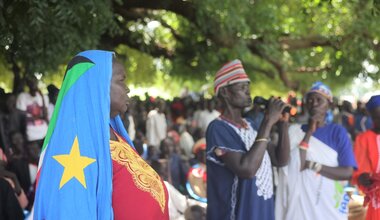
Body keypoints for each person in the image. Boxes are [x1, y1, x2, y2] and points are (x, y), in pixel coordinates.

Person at [33, 50, 169, 219]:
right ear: (97, 85)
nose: (127, 88)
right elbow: (70, 208)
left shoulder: (113, 133)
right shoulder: (74, 144)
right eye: (121, 80)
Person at [206, 59, 290, 220]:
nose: (248, 92)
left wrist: (283, 125)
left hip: (262, 211)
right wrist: (267, 122)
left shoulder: (251, 125)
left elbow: (280, 160)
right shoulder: (218, 128)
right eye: (242, 87)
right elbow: (247, 170)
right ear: (225, 92)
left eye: (248, 87)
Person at [275, 82, 357, 220]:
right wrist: (309, 132)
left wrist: (313, 165)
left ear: (329, 105)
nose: (314, 103)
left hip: (328, 205)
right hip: (299, 208)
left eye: (319, 100)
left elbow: (347, 173)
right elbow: (289, 165)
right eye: (310, 100)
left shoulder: (337, 132)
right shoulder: (294, 131)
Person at [352, 95, 380, 220]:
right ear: (372, 116)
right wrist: (362, 178)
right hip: (377, 200)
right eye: (377, 116)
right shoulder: (363, 139)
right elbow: (359, 171)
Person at [16, 75, 49, 149]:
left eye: (35, 82)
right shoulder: (22, 97)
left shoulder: (44, 97)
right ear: (27, 84)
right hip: (30, 136)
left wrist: (42, 98)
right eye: (30, 82)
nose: (33, 84)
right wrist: (39, 117)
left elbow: (45, 116)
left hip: (44, 134)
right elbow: (22, 118)